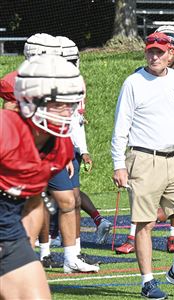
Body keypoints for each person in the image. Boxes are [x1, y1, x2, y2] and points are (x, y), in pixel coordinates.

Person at [0, 33, 100, 273]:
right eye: (59, 103)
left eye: (70, 104)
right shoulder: (7, 130)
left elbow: (34, 205)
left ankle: (51, 255)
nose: (68, 112)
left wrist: (23, 256)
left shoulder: (60, 145)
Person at [112, 32, 174, 299]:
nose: (154, 56)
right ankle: (147, 281)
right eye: (150, 51)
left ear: (171, 54)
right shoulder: (133, 82)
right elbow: (120, 127)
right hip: (142, 158)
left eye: (160, 52)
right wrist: (119, 164)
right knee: (145, 224)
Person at [37, 35, 111, 270]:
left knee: (71, 200)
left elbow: (74, 120)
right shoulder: (31, 82)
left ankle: (73, 252)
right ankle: (43, 252)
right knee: (40, 202)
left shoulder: (74, 82)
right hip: (42, 149)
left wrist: (81, 149)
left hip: (65, 148)